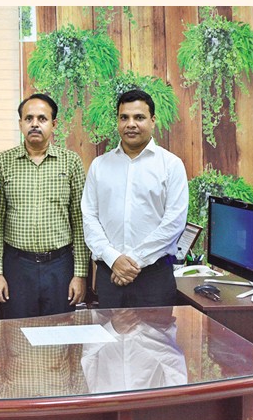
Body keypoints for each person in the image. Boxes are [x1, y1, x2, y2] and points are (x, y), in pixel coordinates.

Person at [0, 93, 90, 319]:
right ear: (20, 123)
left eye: (42, 119)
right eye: (28, 118)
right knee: (17, 332)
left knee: (60, 332)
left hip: (60, 266)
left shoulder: (70, 161)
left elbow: (80, 221)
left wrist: (80, 274)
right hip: (17, 267)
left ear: (53, 124)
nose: (34, 124)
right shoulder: (4, 161)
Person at [81, 89, 188, 309]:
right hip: (110, 275)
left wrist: (133, 262)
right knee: (109, 332)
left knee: (156, 333)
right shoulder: (100, 166)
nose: (131, 124)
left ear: (152, 120)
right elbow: (89, 217)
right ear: (118, 121)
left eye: (139, 117)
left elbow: (174, 223)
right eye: (124, 117)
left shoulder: (171, 165)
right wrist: (114, 259)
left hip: (154, 278)